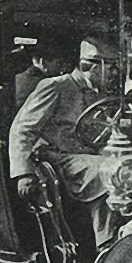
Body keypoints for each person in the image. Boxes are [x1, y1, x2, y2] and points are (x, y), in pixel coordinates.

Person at [8, 37, 121, 250]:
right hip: (61, 160)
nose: (116, 74)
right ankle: (107, 246)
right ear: (92, 66)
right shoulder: (55, 86)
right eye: (112, 67)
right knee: (110, 171)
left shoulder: (101, 93)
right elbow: (23, 128)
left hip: (91, 157)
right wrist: (23, 173)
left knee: (126, 168)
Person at [14, 38, 71, 105]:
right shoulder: (46, 84)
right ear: (43, 62)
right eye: (59, 64)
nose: (61, 70)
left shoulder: (19, 78)